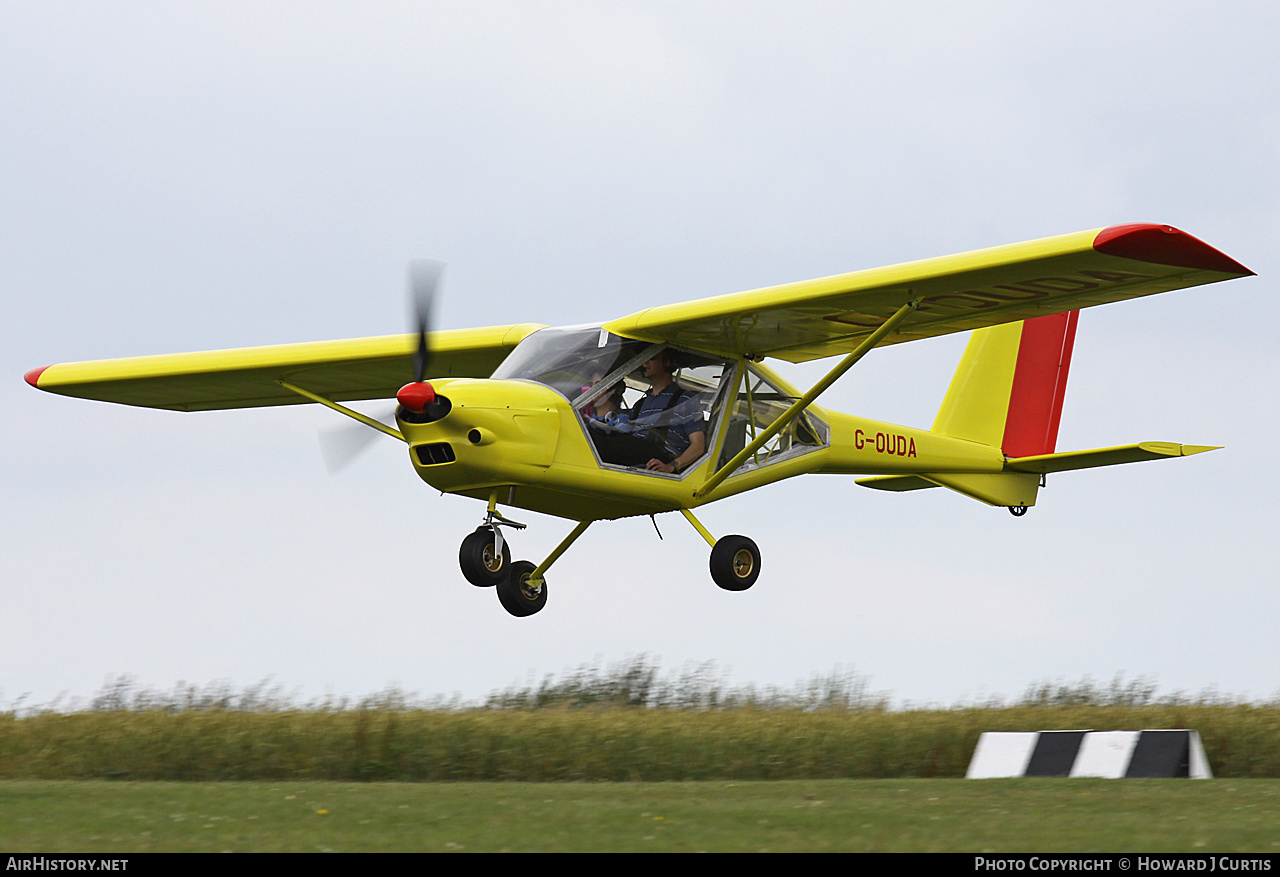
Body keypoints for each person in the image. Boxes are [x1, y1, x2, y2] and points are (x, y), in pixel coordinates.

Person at [630, 352, 706, 474]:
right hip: (633, 455)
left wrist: (671, 466)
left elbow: (698, 446)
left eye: (652, 358)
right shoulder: (640, 404)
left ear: (667, 363)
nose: (644, 364)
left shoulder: (685, 400)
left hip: (659, 456)